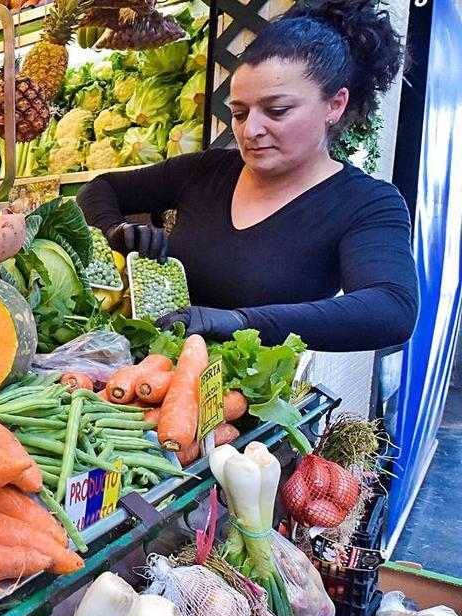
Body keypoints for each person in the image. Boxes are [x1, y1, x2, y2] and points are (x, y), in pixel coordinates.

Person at [76, 0, 418, 352]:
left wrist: (241, 322)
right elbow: (100, 189)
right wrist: (113, 231)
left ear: (335, 104)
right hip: (147, 374)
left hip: (243, 398)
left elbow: (391, 309)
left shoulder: (366, 204)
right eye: (239, 113)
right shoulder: (206, 171)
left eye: (277, 110)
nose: (251, 129)